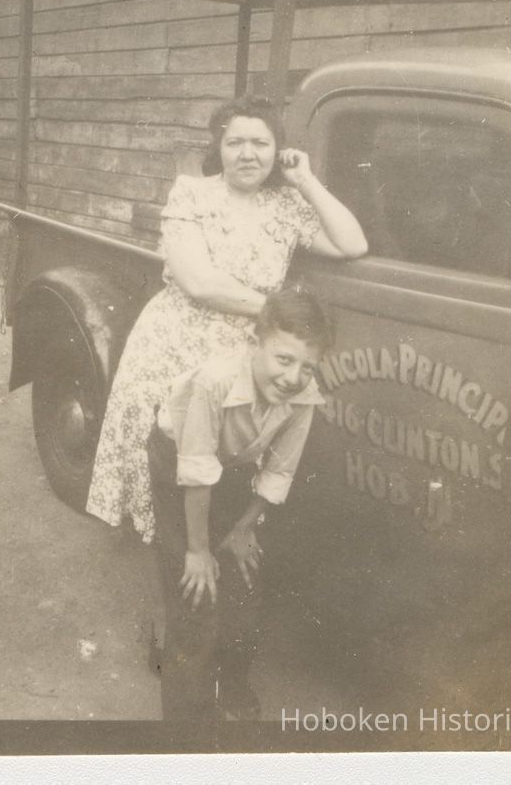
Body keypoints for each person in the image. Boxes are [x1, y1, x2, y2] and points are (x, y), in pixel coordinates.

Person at [85, 95, 367, 542]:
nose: (248, 154)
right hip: (174, 342)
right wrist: (274, 312)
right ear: (218, 148)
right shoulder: (192, 193)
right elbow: (199, 282)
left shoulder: (288, 204)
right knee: (162, 444)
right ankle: (166, 544)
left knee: (226, 449)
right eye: (235, 142)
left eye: (261, 142)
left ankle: (206, 544)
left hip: (244, 350)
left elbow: (353, 244)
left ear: (278, 150)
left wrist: (307, 181)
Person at [148, 288, 333, 721]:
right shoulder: (214, 381)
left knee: (245, 587)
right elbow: (194, 471)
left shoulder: (304, 396)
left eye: (307, 366)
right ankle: (185, 725)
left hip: (229, 469)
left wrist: (243, 529)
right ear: (254, 344)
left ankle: (231, 684)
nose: (293, 377)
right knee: (196, 597)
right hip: (178, 465)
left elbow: (277, 473)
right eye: (283, 359)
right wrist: (197, 551)